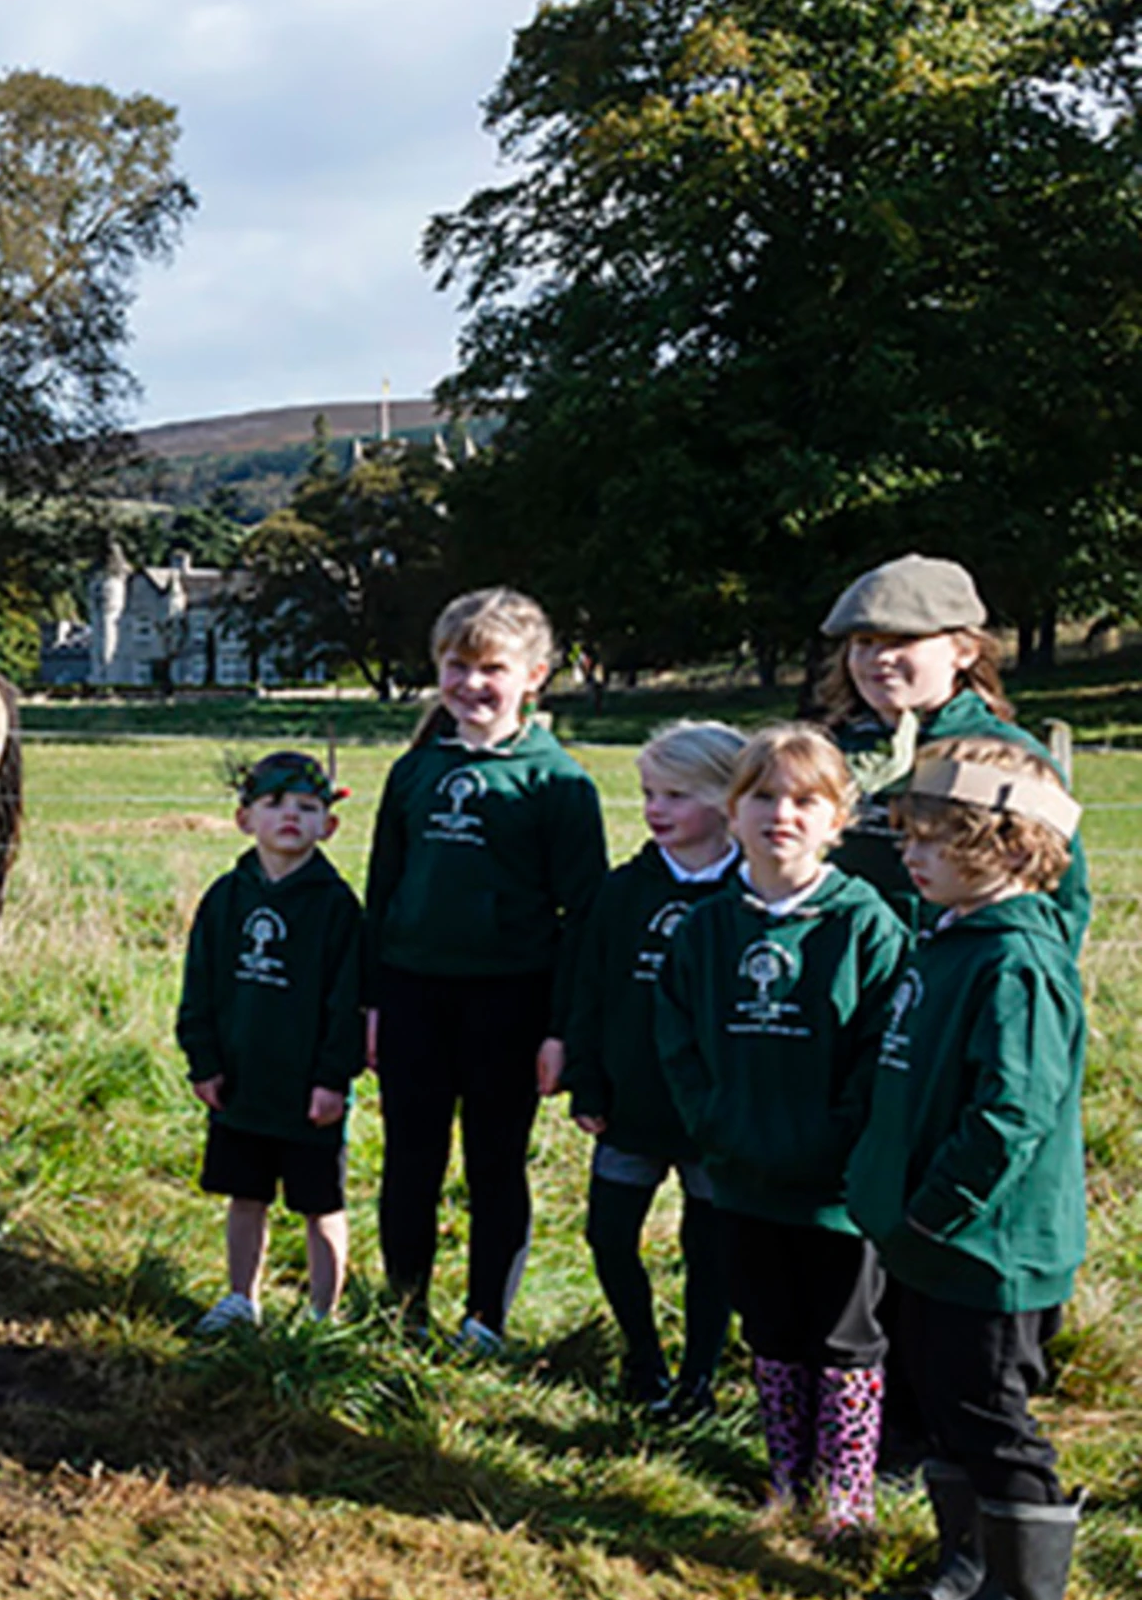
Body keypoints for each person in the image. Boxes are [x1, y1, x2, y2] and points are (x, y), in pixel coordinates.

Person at [847, 739, 1091, 1600]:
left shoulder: (1017, 964)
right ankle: (967, 1569)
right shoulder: (948, 938)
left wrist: (933, 1212)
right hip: (925, 1239)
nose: (911, 855)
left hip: (988, 1249)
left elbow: (1008, 1116)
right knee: (946, 1403)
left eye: (937, 841)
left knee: (992, 1415)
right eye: (909, 836)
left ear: (1010, 846)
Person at [655, 725, 907, 1542]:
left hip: (837, 1192)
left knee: (844, 1337)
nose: (781, 816)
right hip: (743, 1175)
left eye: (806, 801)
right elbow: (679, 1042)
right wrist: (716, 1124)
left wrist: (838, 1139)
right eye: (762, 797)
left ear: (841, 818)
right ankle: (786, 1477)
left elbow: (881, 1052)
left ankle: (847, 1497)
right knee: (768, 1325)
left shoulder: (866, 928)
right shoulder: (705, 930)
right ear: (732, 811)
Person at [362, 586, 607, 1354]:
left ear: (534, 674)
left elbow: (586, 919)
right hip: (411, 995)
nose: (472, 684)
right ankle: (403, 1310)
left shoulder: (558, 782)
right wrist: (370, 1002)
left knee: (495, 1161)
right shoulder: (413, 774)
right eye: (457, 666)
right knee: (410, 1158)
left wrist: (563, 1029)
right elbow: (383, 891)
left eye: (492, 668)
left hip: (512, 1001)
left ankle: (484, 1321)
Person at [564, 721, 746, 1414]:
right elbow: (590, 990)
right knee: (608, 1236)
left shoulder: (749, 898)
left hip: (711, 1118)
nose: (656, 809)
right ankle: (643, 1358)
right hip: (629, 1106)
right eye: (648, 793)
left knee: (711, 1251)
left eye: (677, 794)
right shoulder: (622, 891)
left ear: (730, 800)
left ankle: (699, 1377)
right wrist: (588, 1077)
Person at [173, 750, 361, 1333]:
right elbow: (198, 987)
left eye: (307, 808)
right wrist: (203, 1062)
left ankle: (321, 1316)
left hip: (308, 1093)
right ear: (243, 818)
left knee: (319, 1204)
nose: (290, 817)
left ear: (327, 826)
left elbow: (349, 1003)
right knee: (245, 1196)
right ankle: (239, 1300)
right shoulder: (225, 899)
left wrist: (333, 1079)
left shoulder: (337, 908)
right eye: (274, 804)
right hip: (240, 1086)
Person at [814, 555, 1091, 947]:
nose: (880, 658)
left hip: (956, 980)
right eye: (864, 642)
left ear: (965, 651)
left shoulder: (1005, 758)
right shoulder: (828, 752)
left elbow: (1061, 896)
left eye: (903, 640)